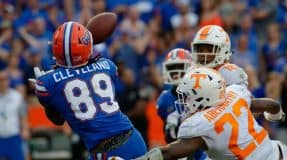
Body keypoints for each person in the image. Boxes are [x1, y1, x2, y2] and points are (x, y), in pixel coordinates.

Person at [29, 21, 147, 159]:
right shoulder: (108, 65)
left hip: (103, 150)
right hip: (132, 139)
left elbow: (58, 120)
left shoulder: (46, 83)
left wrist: (44, 98)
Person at [135, 67, 287, 160]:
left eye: (188, 96)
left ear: (203, 96)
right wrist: (277, 115)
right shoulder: (234, 94)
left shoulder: (201, 124)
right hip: (280, 152)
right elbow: (271, 104)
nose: (185, 101)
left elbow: (168, 152)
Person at [156, 48, 207, 159]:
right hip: (179, 152)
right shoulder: (165, 99)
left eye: (179, 66)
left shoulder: (203, 92)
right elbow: (170, 137)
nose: (175, 72)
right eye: (172, 67)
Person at [0, 63, 29, 160]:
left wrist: (25, 130)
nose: (2, 83)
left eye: (4, 80)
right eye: (0, 80)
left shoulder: (17, 96)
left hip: (13, 136)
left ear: (8, 81)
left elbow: (23, 115)